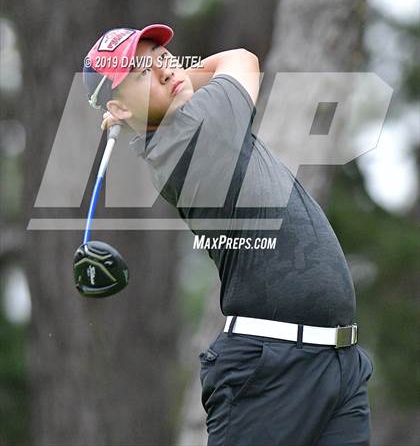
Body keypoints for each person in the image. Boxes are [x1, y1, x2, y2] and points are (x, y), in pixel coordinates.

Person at [83, 24, 374, 446]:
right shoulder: (191, 131)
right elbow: (241, 58)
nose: (165, 70)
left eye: (163, 58)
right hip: (269, 371)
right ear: (120, 108)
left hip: (337, 361)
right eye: (142, 72)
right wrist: (184, 78)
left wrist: (155, 90)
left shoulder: (186, 125)